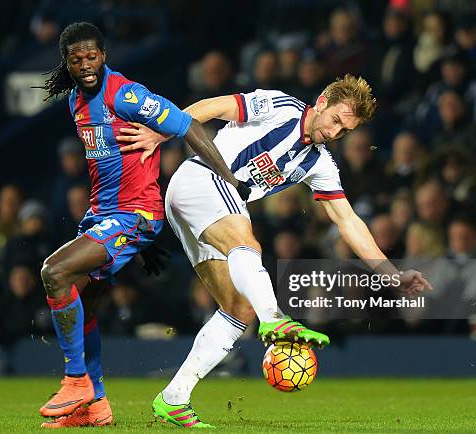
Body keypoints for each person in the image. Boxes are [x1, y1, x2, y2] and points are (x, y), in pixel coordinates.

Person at [119, 74, 432, 427]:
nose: (335, 133)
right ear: (324, 100)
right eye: (335, 121)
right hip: (202, 178)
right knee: (247, 243)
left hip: (202, 208)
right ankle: (276, 319)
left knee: (238, 308)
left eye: (345, 131)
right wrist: (159, 133)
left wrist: (392, 274)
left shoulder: (320, 163)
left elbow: (348, 221)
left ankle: (174, 398)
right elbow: (211, 108)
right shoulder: (279, 106)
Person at [35, 22, 248, 428]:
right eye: (77, 59)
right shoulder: (76, 103)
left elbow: (189, 127)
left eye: (92, 56)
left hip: (133, 215)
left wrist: (230, 179)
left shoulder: (126, 95)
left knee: (55, 271)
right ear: (67, 62)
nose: (86, 65)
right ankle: (95, 406)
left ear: (104, 54)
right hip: (105, 216)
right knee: (84, 307)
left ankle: (76, 380)